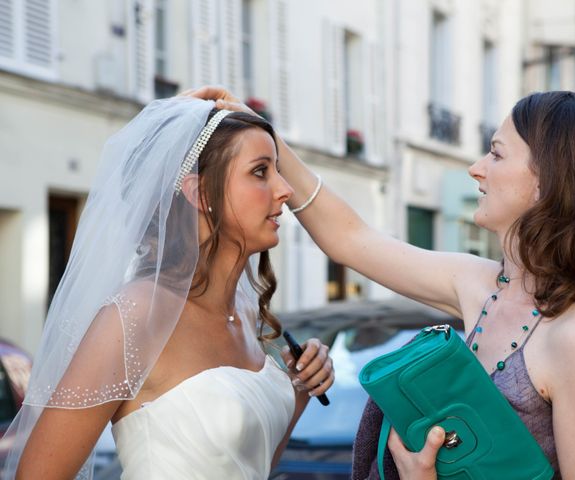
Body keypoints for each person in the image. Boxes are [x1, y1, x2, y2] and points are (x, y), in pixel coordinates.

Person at [188, 87, 575, 479]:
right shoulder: (481, 284)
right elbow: (351, 239)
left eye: (497, 153)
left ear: (548, 182)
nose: (476, 168)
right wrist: (264, 133)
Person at [5, 97, 335, 479]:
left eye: (277, 170)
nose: (285, 190)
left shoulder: (244, 312)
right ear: (199, 192)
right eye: (260, 172)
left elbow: (240, 462)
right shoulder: (136, 315)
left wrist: (298, 389)